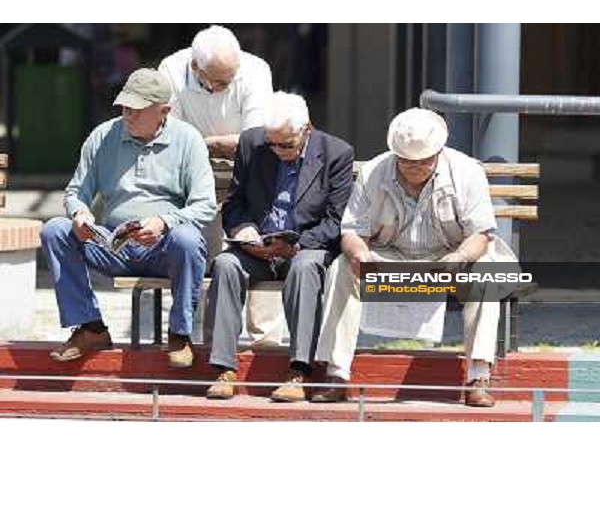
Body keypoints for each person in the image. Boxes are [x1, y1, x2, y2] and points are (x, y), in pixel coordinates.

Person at [313, 107, 518, 407]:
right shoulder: (373, 171)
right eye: (407, 162)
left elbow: (481, 234)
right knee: (342, 267)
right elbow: (352, 231)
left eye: (423, 162)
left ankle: (478, 376)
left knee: (486, 270)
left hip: (450, 254)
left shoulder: (466, 170)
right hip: (390, 255)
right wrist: (360, 255)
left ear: (438, 152)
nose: (415, 168)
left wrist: (460, 256)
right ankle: (336, 374)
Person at [40, 68, 217, 368]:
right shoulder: (103, 136)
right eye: (124, 106)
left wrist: (163, 222)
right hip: (112, 244)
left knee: (187, 238)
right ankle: (90, 327)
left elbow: (205, 205)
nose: (128, 114)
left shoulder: (188, 140)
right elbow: (75, 192)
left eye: (137, 109)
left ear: (164, 111)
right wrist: (80, 213)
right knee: (55, 229)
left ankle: (179, 334)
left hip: (164, 246)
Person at [204, 91, 354, 402]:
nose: (276, 150)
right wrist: (243, 229)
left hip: (304, 246)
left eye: (285, 144)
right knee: (225, 264)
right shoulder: (251, 143)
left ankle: (299, 371)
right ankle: (223, 369)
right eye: (271, 143)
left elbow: (336, 221)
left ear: (306, 129)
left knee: (305, 268)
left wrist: (294, 246)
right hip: (257, 247)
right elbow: (234, 203)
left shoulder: (336, 153)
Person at [158, 24, 273, 160]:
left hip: (243, 168)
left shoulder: (257, 69)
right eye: (220, 82)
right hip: (187, 166)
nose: (229, 83)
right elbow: (170, 138)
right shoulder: (171, 70)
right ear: (195, 67)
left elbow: (255, 141)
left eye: (233, 76)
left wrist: (207, 144)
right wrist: (221, 144)